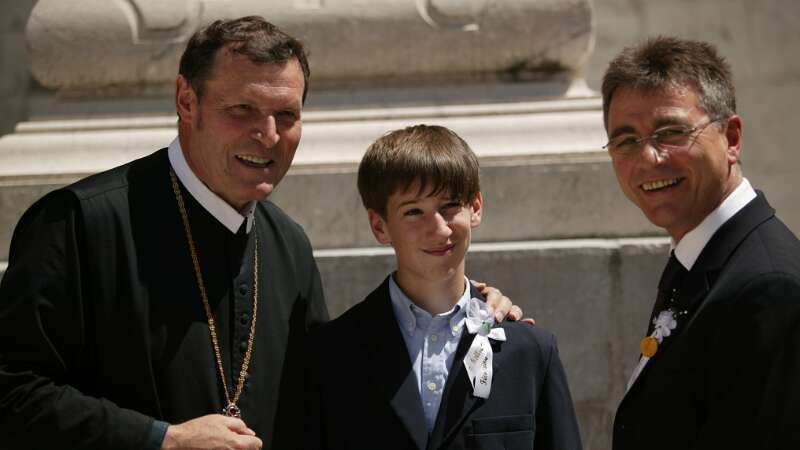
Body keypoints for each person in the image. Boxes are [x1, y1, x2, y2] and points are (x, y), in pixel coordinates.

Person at [0, 17, 521, 450]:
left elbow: (336, 384)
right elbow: (12, 392)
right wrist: (161, 439)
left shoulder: (287, 244)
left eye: (286, 115)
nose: (268, 136)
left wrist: (461, 311)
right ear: (186, 100)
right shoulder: (77, 223)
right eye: (242, 110)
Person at [305, 125, 582, 450]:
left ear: (475, 208)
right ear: (380, 226)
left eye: (450, 205)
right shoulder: (331, 355)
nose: (438, 229)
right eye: (413, 212)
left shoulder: (531, 353)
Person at [602, 36, 800, 450]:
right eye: (626, 141)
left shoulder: (769, 289)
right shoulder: (705, 259)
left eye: (671, 132)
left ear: (732, 138)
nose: (649, 159)